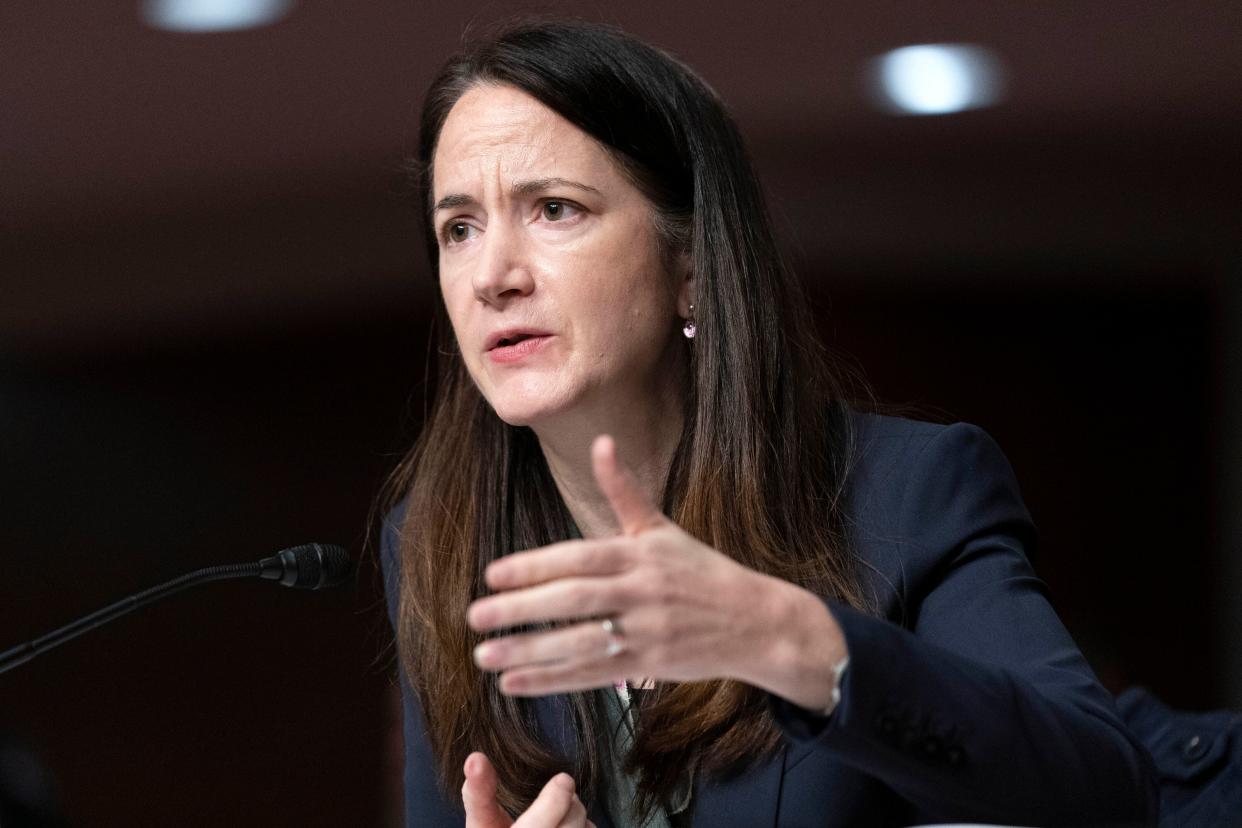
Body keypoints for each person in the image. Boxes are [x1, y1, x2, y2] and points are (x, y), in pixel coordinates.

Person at [378, 19, 1158, 828]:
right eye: (459, 228)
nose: (493, 277)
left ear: (691, 266)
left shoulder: (903, 496)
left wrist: (793, 643)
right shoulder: (436, 539)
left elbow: (1106, 789)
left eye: (554, 209)